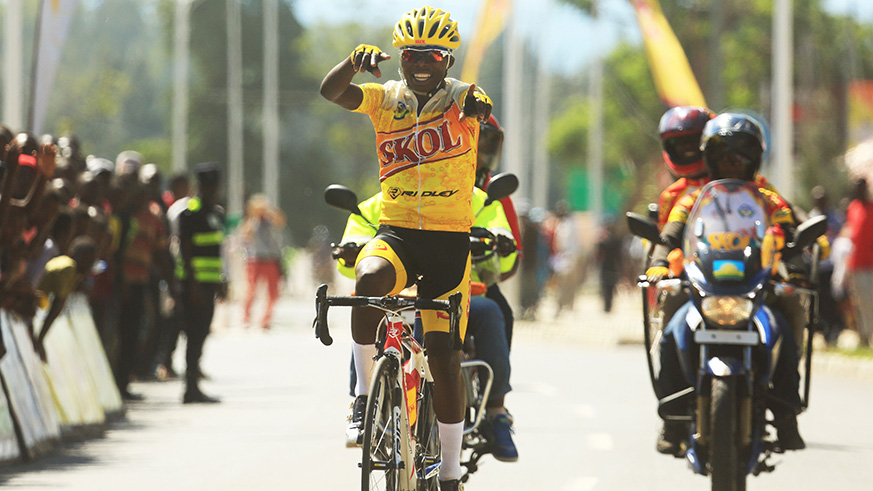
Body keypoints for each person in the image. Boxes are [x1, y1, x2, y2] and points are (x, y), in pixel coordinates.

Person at [319, 6, 492, 489]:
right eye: (411, 55)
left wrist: (477, 106)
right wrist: (352, 62)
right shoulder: (384, 98)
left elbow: (480, 104)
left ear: (447, 60)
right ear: (399, 57)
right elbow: (331, 92)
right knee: (368, 280)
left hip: (448, 241)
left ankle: (451, 470)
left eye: (431, 56)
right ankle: (363, 397)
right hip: (396, 232)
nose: (420, 64)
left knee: (443, 358)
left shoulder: (463, 97)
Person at [649, 113, 807, 454]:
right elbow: (670, 234)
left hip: (757, 285)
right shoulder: (692, 199)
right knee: (672, 327)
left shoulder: (768, 198)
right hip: (704, 285)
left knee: (787, 321)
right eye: (724, 157)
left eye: (740, 156)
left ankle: (786, 416)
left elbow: (790, 232)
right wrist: (659, 263)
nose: (732, 163)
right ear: (709, 159)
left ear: (754, 159)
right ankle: (672, 420)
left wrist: (797, 266)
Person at [335, 184, 520, 462]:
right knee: (367, 308)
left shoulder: (478, 200)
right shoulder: (382, 200)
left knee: (491, 312)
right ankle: (363, 401)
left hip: (457, 292)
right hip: (400, 296)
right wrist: (352, 249)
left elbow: (503, 252)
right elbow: (353, 245)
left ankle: (495, 412)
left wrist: (500, 242)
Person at [175, 162, 227, 404]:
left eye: (214, 187)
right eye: (208, 187)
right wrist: (193, 283)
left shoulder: (215, 213)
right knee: (194, 334)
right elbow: (185, 249)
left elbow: (216, 250)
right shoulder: (190, 213)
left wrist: (221, 281)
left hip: (209, 284)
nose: (212, 191)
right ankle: (190, 387)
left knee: (203, 332)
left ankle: (194, 382)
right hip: (193, 285)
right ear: (200, 187)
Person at [34, 236, 98, 363]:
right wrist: (40, 339)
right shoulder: (69, 269)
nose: (90, 266)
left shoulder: (64, 261)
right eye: (89, 261)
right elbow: (58, 304)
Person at [239, 194, 285, 330]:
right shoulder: (251, 222)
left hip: (271, 259)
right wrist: (253, 216)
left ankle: (266, 319)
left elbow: (281, 222)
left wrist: (270, 211)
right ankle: (246, 317)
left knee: (273, 293)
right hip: (255, 259)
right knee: (251, 290)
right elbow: (245, 233)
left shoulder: (270, 221)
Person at [844, 177, 873, 346]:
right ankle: (864, 336)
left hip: (870, 262)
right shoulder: (853, 207)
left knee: (870, 301)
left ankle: (868, 334)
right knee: (859, 302)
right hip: (856, 263)